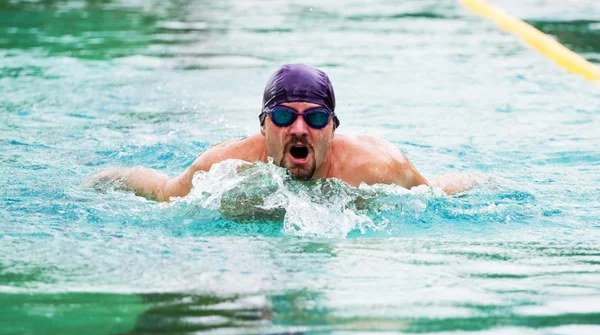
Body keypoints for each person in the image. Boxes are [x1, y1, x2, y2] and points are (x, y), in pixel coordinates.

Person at [88, 64, 479, 201]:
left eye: (315, 119)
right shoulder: (225, 168)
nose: (298, 129)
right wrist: (107, 178)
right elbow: (162, 191)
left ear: (333, 128)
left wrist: (482, 181)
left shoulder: (376, 167)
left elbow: (435, 193)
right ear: (263, 126)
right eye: (282, 116)